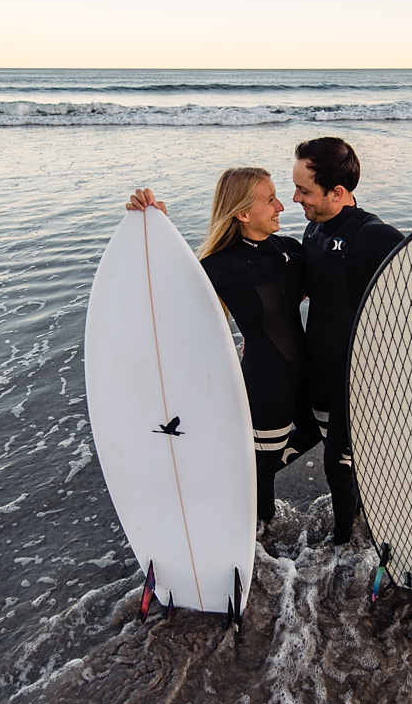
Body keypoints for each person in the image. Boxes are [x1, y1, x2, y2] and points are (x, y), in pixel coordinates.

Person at [126, 170, 320, 527]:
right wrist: (155, 229)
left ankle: (234, 478)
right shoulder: (218, 267)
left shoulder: (291, 250)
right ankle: (261, 541)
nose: (281, 206)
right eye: (270, 200)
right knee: (263, 476)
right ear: (242, 213)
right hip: (267, 381)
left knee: (313, 434)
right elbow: (164, 299)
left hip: (305, 371)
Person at [291, 137, 412, 544]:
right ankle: (367, 514)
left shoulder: (374, 236)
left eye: (304, 190)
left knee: (336, 465)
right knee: (338, 458)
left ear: (337, 193)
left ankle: (343, 546)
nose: (295, 198)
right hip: (319, 372)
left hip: (356, 377)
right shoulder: (315, 228)